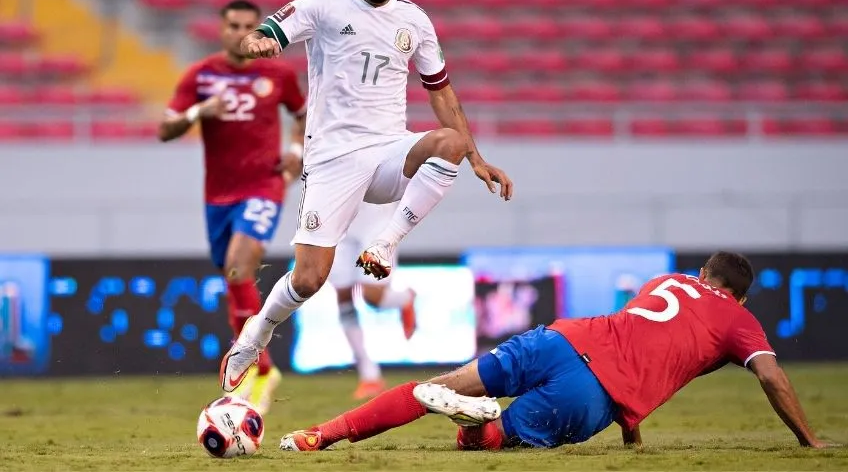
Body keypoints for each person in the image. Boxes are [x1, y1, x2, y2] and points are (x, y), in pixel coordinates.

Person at [219, 0, 513, 394]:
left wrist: (476, 158)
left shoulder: (415, 20)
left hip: (388, 154)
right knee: (312, 279)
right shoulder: (324, 2)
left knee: (449, 142)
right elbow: (275, 28)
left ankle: (385, 244)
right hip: (333, 161)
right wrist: (260, 42)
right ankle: (257, 332)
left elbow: (441, 93)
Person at [277, 252, 836, 451]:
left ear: (700, 274)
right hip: (593, 392)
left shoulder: (666, 281)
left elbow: (643, 339)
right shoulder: (737, 318)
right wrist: (808, 439)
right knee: (485, 442)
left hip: (564, 337)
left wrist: (632, 432)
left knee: (439, 389)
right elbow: (771, 378)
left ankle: (317, 436)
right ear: (736, 295)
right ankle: (476, 426)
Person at [158, 0, 307, 414]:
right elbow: (164, 129)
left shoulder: (277, 73)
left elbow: (303, 114)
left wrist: (295, 149)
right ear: (221, 30)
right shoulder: (201, 76)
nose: (240, 33)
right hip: (218, 196)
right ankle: (262, 369)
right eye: (233, 25)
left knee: (240, 265)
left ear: (257, 31)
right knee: (232, 274)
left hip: (264, 185)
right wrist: (197, 112)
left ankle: (252, 367)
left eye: (248, 26)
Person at [329, 202, 416, 400]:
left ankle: (405, 299)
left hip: (376, 222)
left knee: (372, 296)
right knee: (343, 295)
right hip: (339, 221)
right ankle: (369, 374)